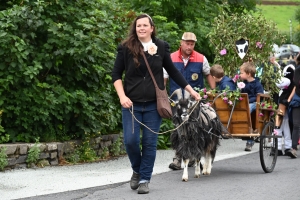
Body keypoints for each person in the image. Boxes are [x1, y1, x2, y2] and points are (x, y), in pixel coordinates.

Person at [111, 14, 201, 194]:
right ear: (135, 29)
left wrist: (191, 91)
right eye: (138, 26)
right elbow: (116, 75)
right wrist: (122, 97)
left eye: (145, 25)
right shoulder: (126, 48)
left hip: (154, 104)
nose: (141, 28)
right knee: (130, 141)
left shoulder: (160, 46)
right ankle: (137, 170)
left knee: (150, 143)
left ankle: (144, 179)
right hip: (131, 104)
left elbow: (173, 72)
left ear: (152, 28)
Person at [163, 32, 215, 170]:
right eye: (187, 43)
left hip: (194, 101)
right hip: (176, 100)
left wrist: (213, 91)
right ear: (181, 43)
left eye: (192, 44)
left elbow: (208, 75)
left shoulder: (201, 58)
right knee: (178, 128)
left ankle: (192, 155)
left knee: (194, 127)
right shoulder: (171, 58)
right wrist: (162, 94)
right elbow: (164, 79)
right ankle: (178, 157)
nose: (189, 46)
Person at [239, 62, 264, 151]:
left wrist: (249, 100)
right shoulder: (243, 83)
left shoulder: (257, 84)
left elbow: (260, 96)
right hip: (245, 103)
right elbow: (241, 94)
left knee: (248, 109)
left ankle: (249, 138)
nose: (240, 74)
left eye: (242, 73)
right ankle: (241, 128)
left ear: (249, 74)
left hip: (254, 103)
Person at [287, 54, 300, 158]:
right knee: (296, 124)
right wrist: (290, 98)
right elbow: (295, 85)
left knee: (296, 125)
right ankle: (293, 148)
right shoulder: (297, 70)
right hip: (298, 99)